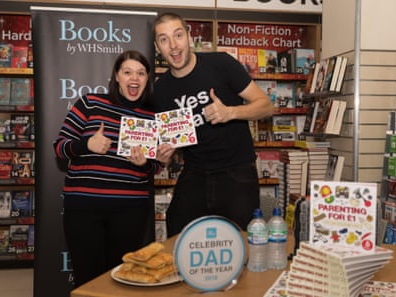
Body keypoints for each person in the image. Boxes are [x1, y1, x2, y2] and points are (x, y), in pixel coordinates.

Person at [152, 12, 274, 237]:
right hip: (195, 172)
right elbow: (173, 143)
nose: (173, 46)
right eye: (164, 39)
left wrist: (231, 112)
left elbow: (266, 106)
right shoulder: (161, 90)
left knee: (242, 243)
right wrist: (167, 152)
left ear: (189, 36)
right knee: (177, 232)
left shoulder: (222, 64)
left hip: (237, 170)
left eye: (178, 35)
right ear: (157, 47)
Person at [53, 50, 168, 288]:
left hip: (130, 212)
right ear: (117, 76)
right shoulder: (90, 103)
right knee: (89, 281)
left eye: (140, 73)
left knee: (124, 279)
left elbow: (155, 167)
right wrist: (87, 144)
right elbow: (60, 148)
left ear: (148, 79)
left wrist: (144, 162)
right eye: (127, 72)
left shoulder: (154, 117)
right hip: (84, 210)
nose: (134, 78)